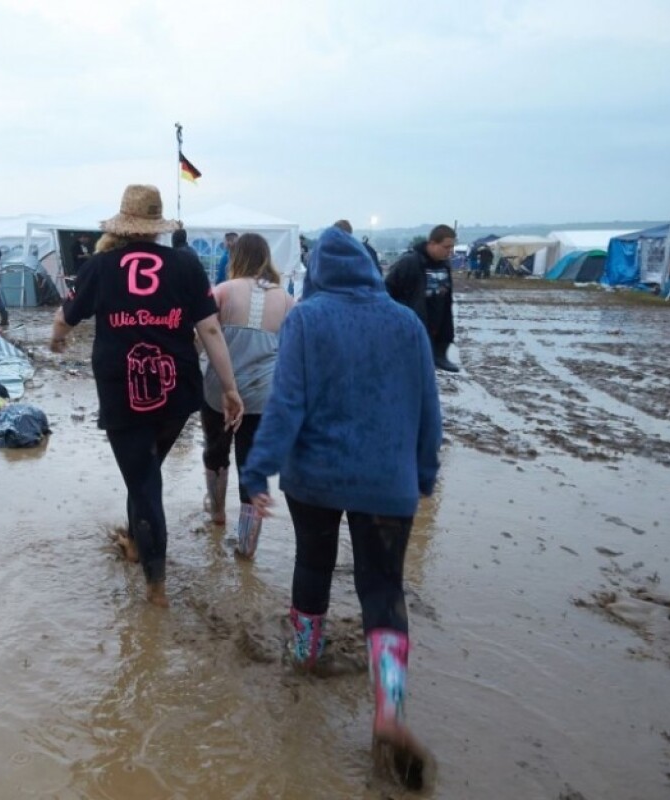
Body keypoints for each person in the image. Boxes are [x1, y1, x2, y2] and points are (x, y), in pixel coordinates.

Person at [240, 225, 442, 790]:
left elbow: (287, 405)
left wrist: (257, 469)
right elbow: (429, 408)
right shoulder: (407, 322)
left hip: (317, 478)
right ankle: (389, 709)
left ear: (318, 273)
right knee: (383, 590)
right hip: (388, 481)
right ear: (371, 269)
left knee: (313, 565)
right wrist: (424, 473)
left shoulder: (307, 317)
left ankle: (305, 659)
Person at [50, 184, 243, 608]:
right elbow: (209, 330)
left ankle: (156, 591)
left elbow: (66, 316)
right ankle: (137, 546)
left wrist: (57, 339)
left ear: (123, 224)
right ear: (156, 228)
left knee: (144, 482)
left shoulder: (100, 266)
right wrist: (229, 388)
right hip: (176, 394)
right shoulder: (187, 266)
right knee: (144, 472)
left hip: (123, 394)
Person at [201, 233, 295, 559]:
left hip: (218, 390)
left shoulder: (222, 291)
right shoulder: (285, 299)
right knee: (250, 464)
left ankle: (217, 514)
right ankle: (247, 546)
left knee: (215, 452)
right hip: (263, 396)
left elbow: (200, 336)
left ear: (236, 257)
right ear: (266, 258)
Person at [385, 224, 459, 372]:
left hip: (436, 326)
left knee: (427, 373)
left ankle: (439, 354)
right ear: (432, 243)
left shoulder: (444, 265)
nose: (450, 252)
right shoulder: (409, 262)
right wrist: (402, 314)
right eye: (446, 247)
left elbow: (446, 297)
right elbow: (386, 290)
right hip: (412, 327)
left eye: (452, 248)